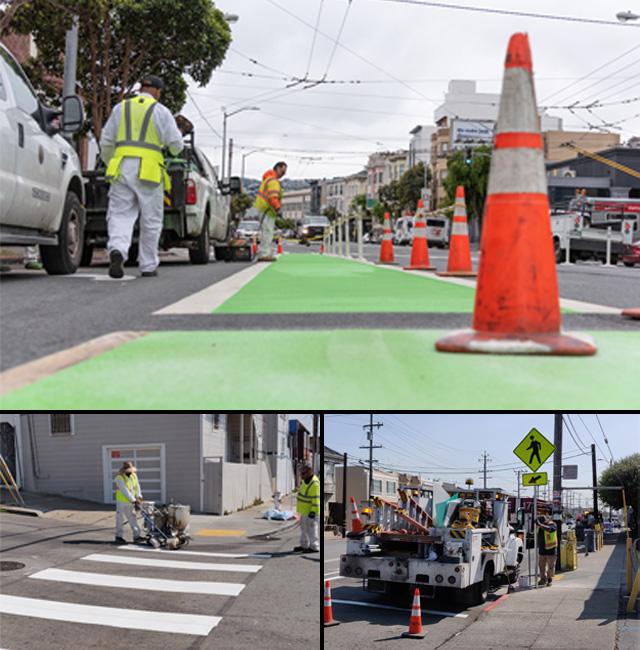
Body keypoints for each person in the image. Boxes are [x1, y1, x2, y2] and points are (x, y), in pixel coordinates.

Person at [100, 75, 184, 278]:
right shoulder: (161, 111)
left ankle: (118, 250)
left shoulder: (121, 108)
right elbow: (176, 146)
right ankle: (147, 265)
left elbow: (106, 141)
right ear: (157, 91)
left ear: (141, 89)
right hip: (149, 170)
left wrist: (111, 160)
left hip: (121, 167)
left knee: (120, 214)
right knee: (151, 219)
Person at [254, 161, 287, 262]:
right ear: (277, 168)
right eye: (283, 170)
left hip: (264, 209)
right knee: (268, 232)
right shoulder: (273, 181)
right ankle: (264, 253)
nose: (284, 173)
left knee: (266, 231)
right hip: (267, 210)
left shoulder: (268, 180)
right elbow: (273, 197)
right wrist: (277, 208)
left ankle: (264, 252)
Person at [114, 461, 144, 544]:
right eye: (129, 470)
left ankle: (137, 536)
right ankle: (119, 536)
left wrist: (139, 496)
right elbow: (125, 491)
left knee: (133, 518)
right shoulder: (120, 478)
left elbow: (137, 486)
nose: (131, 471)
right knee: (120, 519)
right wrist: (133, 500)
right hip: (122, 502)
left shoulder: (134, 475)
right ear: (125, 470)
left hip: (131, 502)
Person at [293, 462, 320, 553]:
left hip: (311, 511)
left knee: (312, 529)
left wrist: (313, 511)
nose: (301, 475)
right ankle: (304, 545)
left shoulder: (314, 484)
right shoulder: (305, 481)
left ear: (309, 472)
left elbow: (316, 500)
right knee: (304, 528)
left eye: (303, 473)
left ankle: (314, 546)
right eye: (301, 473)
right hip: (304, 510)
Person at [536, 514, 558, 587]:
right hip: (542, 550)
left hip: (551, 550)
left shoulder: (552, 524)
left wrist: (540, 524)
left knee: (550, 567)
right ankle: (543, 579)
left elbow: (549, 529)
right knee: (541, 566)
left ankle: (549, 579)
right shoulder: (539, 526)